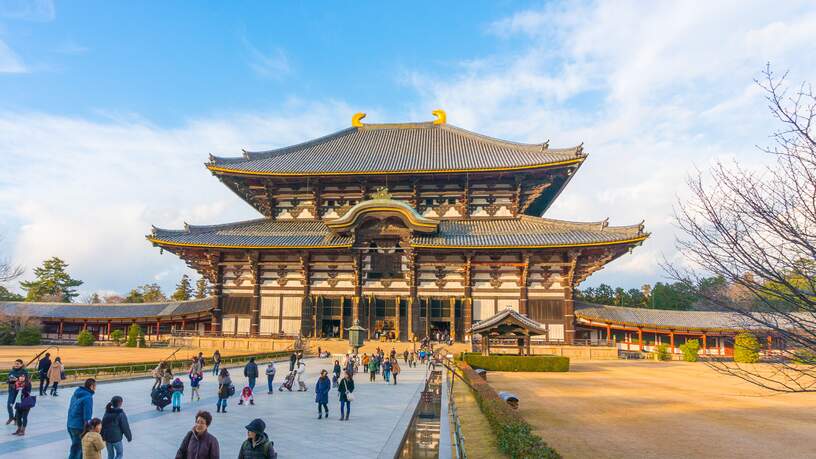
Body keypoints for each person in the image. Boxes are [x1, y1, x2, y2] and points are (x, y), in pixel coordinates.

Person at [68, 378, 96, 459]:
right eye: (95, 386)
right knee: (78, 451)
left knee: (76, 449)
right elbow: (87, 416)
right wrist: (88, 430)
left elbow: (70, 409)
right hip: (79, 427)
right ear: (91, 386)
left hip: (71, 425)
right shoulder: (88, 397)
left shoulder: (75, 394)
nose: (95, 388)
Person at [6, 359, 28, 425]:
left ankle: (16, 418)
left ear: (21, 364)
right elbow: (8, 379)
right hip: (12, 390)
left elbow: (25, 381)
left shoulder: (24, 371)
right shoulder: (12, 371)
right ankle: (11, 417)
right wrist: (9, 380)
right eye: (15, 363)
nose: (16, 365)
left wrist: (17, 379)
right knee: (9, 405)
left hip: (19, 391)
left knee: (17, 406)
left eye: (17, 364)